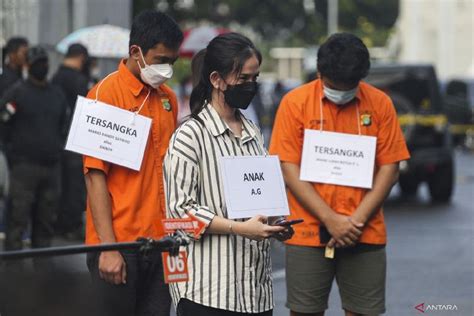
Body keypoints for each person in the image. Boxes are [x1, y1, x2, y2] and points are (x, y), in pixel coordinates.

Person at [269, 33, 410, 316]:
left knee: (364, 311)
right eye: (335, 87)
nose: (343, 92)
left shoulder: (380, 103)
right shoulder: (295, 103)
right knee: (305, 311)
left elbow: (390, 167)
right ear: (320, 72)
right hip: (308, 232)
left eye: (351, 87)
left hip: (365, 231)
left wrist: (354, 221)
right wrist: (331, 219)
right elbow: (288, 167)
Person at [163, 32, 292, 316]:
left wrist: (274, 221)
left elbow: (258, 197)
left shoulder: (252, 132)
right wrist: (240, 228)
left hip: (255, 293)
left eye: (254, 78)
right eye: (243, 79)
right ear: (216, 80)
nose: (250, 86)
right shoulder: (190, 135)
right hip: (208, 292)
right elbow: (180, 215)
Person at [83, 10, 183, 316]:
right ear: (135, 52)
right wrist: (107, 248)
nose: (166, 68)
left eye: (172, 62)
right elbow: (94, 176)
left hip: (163, 241)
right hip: (120, 243)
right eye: (160, 60)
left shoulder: (168, 98)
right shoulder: (102, 96)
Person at [0, 46, 67, 251]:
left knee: (45, 223)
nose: (42, 67)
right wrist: (12, 153)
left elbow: (64, 125)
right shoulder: (17, 93)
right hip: (23, 167)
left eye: (44, 62)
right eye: (37, 63)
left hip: (52, 167)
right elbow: (3, 123)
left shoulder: (57, 94)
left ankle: (43, 274)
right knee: (17, 221)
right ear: (28, 66)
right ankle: (14, 275)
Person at [52, 43, 89, 240]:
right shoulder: (79, 80)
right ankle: (71, 225)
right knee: (75, 186)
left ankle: (60, 223)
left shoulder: (56, 77)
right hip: (77, 139)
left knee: (62, 184)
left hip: (58, 138)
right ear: (81, 58)